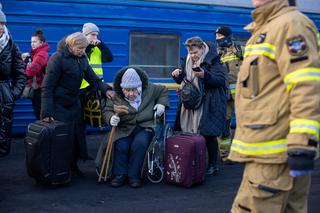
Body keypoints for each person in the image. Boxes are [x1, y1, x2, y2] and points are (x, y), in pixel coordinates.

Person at [228, 0, 320, 212]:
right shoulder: (270, 27)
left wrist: (301, 145)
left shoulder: (290, 25)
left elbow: (305, 86)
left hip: (275, 157)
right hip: (270, 154)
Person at [41, 32, 113, 176]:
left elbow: (93, 78)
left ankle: (73, 167)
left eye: (83, 49)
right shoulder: (57, 59)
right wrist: (47, 113)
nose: (82, 52)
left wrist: (106, 90)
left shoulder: (82, 58)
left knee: (76, 136)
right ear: (71, 45)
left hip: (74, 103)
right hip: (59, 104)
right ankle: (60, 170)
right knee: (63, 138)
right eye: (80, 49)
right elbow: (47, 87)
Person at [97, 67, 169, 188]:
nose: (131, 94)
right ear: (122, 88)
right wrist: (110, 119)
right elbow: (107, 110)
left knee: (139, 143)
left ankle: (134, 175)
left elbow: (163, 91)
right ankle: (119, 174)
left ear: (140, 87)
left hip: (145, 125)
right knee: (121, 145)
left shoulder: (150, 89)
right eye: (127, 90)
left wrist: (161, 103)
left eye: (134, 90)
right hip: (124, 127)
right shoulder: (116, 95)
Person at [171, 36, 227, 175]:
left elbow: (220, 80)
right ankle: (195, 162)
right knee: (190, 132)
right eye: (190, 53)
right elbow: (181, 81)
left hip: (208, 103)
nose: (193, 56)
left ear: (202, 49)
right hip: (190, 104)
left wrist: (205, 75)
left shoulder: (214, 61)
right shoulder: (187, 61)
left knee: (208, 135)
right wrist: (176, 75)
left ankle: (213, 165)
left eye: (195, 52)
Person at [0, 6, 25, 158]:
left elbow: (20, 74)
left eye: (3, 24)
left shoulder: (11, 45)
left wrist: (13, 93)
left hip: (4, 94)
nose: (1, 27)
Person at [215, 26, 243, 161]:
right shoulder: (217, 53)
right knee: (224, 124)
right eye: (217, 37)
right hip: (225, 95)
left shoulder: (240, 50)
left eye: (220, 36)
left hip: (242, 94)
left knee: (245, 124)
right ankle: (225, 155)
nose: (218, 39)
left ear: (228, 37)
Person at [22, 29, 50, 119]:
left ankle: (44, 132)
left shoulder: (42, 54)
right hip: (37, 89)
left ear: (41, 42)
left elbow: (32, 70)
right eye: (31, 42)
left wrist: (21, 77)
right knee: (38, 113)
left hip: (41, 90)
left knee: (41, 114)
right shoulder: (34, 54)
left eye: (34, 42)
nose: (32, 44)